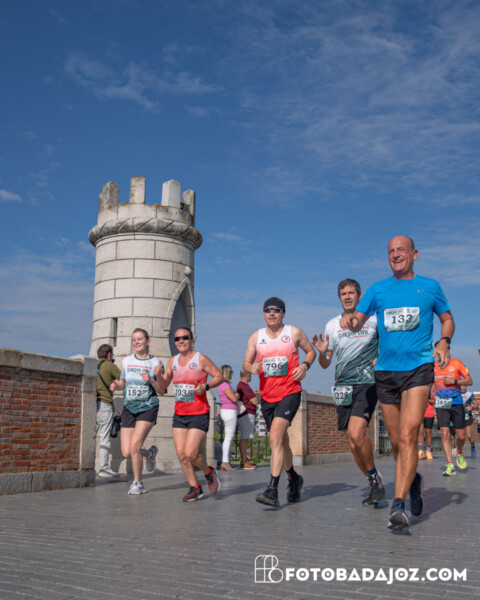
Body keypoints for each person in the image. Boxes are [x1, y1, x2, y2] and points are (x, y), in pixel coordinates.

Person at [340, 235, 454, 531]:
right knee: (395, 443)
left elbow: (447, 319)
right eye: (391, 251)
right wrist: (350, 321)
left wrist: (444, 341)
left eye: (401, 249)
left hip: (419, 368)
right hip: (386, 372)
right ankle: (413, 480)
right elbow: (358, 320)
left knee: (408, 435)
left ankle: (398, 504)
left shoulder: (430, 286)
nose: (396, 254)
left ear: (414, 254)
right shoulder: (377, 290)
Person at [313, 278, 384, 506]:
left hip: (367, 383)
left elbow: (387, 346)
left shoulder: (373, 320)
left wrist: (380, 359)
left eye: (351, 293)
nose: (347, 297)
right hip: (343, 386)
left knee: (356, 433)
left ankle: (374, 477)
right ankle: (374, 481)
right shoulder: (332, 325)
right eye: (343, 294)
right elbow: (326, 363)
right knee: (353, 444)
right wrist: (322, 352)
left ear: (359, 296)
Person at [243, 297, 316, 507]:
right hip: (267, 396)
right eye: (268, 310)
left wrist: (304, 366)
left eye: (276, 310)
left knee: (274, 437)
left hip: (290, 392)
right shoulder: (256, 337)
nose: (272, 313)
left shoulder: (294, 333)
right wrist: (250, 367)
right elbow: (246, 361)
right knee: (281, 441)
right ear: (264, 313)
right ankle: (293, 478)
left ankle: (272, 490)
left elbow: (311, 351)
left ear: (283, 313)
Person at [156, 327, 223, 502]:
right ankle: (195, 488)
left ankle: (208, 472)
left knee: (191, 453)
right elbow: (164, 384)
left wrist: (205, 386)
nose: (181, 341)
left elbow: (219, 376)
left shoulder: (200, 359)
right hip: (180, 413)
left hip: (199, 412)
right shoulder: (173, 361)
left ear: (192, 339)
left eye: (185, 337)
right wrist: (158, 376)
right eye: (177, 339)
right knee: (181, 455)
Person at [110, 329, 164, 495]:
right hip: (129, 407)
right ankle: (149, 453)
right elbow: (123, 382)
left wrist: (152, 379)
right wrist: (117, 386)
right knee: (127, 452)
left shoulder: (156, 362)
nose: (137, 342)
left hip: (148, 407)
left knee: (135, 446)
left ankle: (138, 483)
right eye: (134, 339)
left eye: (140, 339)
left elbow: (161, 390)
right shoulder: (127, 361)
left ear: (147, 341)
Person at [434, 353, 473, 475]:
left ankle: (459, 452)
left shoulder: (457, 363)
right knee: (444, 433)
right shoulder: (434, 366)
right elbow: (430, 382)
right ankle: (450, 464)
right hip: (441, 402)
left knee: (461, 436)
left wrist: (454, 381)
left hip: (456, 401)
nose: (440, 355)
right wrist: (430, 393)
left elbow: (469, 381)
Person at [96, 344, 121, 478]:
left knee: (92, 436)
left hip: (92, 404)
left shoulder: (93, 365)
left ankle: (89, 466)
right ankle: (103, 468)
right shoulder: (110, 366)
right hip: (105, 404)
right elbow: (123, 378)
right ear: (109, 355)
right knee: (104, 437)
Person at [218, 364, 239, 471]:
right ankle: (225, 462)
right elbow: (234, 398)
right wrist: (237, 395)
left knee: (228, 437)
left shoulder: (222, 385)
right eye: (231, 372)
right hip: (229, 411)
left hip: (227, 411)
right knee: (228, 437)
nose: (232, 374)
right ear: (227, 373)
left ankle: (225, 462)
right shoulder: (224, 385)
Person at [236, 369, 259, 469]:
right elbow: (255, 401)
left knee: (245, 437)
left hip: (244, 414)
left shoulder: (240, 385)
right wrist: (254, 399)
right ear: (248, 375)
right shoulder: (244, 386)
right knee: (245, 438)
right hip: (247, 414)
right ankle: (244, 461)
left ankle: (244, 460)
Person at [418, 386, 435, 460]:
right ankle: (420, 450)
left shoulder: (432, 393)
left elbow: (435, 402)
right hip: (420, 414)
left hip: (429, 414)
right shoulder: (419, 391)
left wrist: (427, 399)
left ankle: (428, 451)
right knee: (420, 431)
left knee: (428, 432)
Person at [461, 385, 476, 458]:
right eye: (462, 386)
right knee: (461, 436)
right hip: (459, 417)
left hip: (468, 416)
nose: (463, 388)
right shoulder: (457, 394)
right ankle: (459, 451)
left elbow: (476, 404)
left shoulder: (469, 394)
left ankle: (472, 446)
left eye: (465, 386)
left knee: (469, 435)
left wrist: (472, 407)